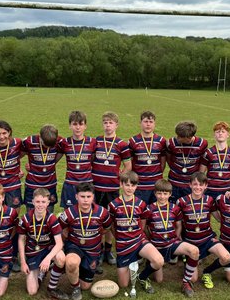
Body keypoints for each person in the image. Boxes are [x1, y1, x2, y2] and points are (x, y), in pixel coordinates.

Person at [138, 179, 199, 295]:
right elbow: (143, 228)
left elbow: (178, 226)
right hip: (156, 246)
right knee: (159, 280)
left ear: (170, 194)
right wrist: (150, 242)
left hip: (171, 243)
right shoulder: (149, 209)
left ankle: (185, 283)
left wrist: (175, 239)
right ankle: (143, 275)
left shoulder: (175, 208)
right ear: (155, 193)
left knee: (194, 251)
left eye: (165, 194)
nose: (162, 196)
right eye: (159, 193)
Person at [107, 171, 164, 294]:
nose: (129, 188)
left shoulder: (141, 204)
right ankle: (131, 264)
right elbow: (111, 225)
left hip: (139, 240)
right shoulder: (113, 205)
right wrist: (119, 238)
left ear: (136, 186)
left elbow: (142, 224)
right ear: (121, 184)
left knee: (159, 260)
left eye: (133, 185)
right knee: (123, 285)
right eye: (127, 185)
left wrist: (138, 235)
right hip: (123, 245)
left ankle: (142, 276)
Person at [176, 172, 230, 296]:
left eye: (201, 185)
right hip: (190, 241)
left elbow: (218, 217)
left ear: (206, 186)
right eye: (195, 184)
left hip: (207, 239)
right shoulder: (181, 202)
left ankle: (207, 271)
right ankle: (187, 259)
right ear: (190, 185)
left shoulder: (209, 200)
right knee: (193, 278)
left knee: (226, 257)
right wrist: (178, 239)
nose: (198, 187)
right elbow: (178, 223)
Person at [57, 182, 113, 300]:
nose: (85, 200)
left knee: (86, 286)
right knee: (71, 263)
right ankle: (75, 288)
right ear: (76, 196)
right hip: (74, 246)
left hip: (92, 251)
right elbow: (59, 228)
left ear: (93, 197)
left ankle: (79, 271)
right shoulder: (69, 213)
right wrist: (62, 244)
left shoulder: (102, 213)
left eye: (88, 197)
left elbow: (107, 227)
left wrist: (95, 236)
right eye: (82, 197)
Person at [92, 111, 132, 265]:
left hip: (112, 188)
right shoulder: (96, 141)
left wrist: (120, 174)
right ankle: (98, 249)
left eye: (111, 122)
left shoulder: (121, 144)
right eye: (105, 122)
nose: (108, 125)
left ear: (116, 125)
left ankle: (108, 251)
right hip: (95, 188)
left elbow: (128, 165)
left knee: (110, 220)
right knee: (96, 220)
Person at [16, 188, 66, 300]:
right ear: (32, 202)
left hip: (48, 249)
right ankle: (41, 273)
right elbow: (21, 240)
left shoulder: (51, 218)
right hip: (33, 252)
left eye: (43, 202)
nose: (40, 205)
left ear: (48, 203)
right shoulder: (25, 219)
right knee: (32, 291)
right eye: (37, 202)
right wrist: (23, 262)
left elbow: (59, 243)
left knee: (61, 258)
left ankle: (51, 287)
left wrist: (48, 258)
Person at [59, 110, 96, 209]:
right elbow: (53, 159)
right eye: (74, 124)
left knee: (88, 214)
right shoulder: (64, 142)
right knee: (69, 214)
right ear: (70, 126)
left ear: (85, 126)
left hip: (87, 184)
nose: (78, 127)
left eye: (81, 124)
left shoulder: (92, 142)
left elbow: (93, 160)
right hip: (70, 184)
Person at [128, 110, 167, 205]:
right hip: (140, 186)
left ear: (154, 124)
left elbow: (162, 163)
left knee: (155, 214)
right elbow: (131, 163)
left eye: (151, 122)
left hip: (156, 185)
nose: (148, 124)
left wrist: (156, 176)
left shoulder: (161, 141)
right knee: (140, 213)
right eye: (145, 121)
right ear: (140, 123)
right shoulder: (133, 141)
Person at [21, 124, 62, 211]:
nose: (48, 147)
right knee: (31, 213)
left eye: (51, 146)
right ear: (40, 137)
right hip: (32, 185)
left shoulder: (59, 141)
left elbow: (63, 152)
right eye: (45, 144)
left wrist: (50, 163)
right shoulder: (29, 142)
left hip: (50, 184)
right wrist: (18, 169)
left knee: (49, 213)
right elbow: (15, 155)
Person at [164, 121, 207, 202]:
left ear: (189, 137)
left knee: (189, 208)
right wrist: (175, 169)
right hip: (174, 182)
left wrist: (198, 177)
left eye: (180, 136)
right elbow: (169, 159)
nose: (177, 138)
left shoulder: (202, 144)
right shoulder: (171, 143)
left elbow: (203, 161)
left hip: (191, 184)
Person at [0, 119, 24, 211]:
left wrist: (25, 167)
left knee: (14, 213)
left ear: (9, 132)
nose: (2, 136)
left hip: (13, 185)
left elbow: (26, 153)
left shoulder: (17, 143)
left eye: (4, 133)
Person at [200, 121, 230, 201]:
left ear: (228, 135)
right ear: (214, 135)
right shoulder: (208, 153)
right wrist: (201, 189)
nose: (220, 134)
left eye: (223, 132)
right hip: (210, 189)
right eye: (217, 132)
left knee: (225, 213)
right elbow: (201, 174)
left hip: (226, 190)